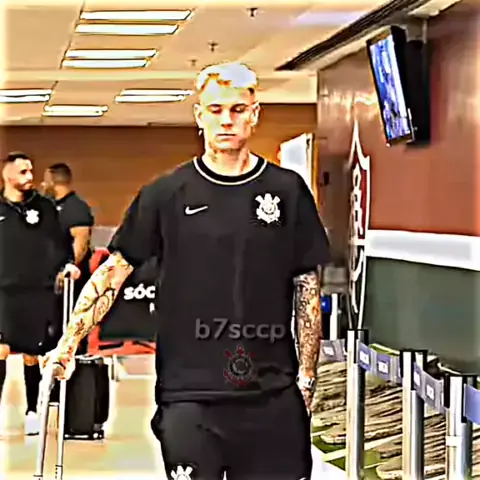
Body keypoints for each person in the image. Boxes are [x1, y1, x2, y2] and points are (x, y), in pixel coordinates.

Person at [43, 62, 331, 479]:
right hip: (189, 394)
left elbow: (306, 286)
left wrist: (307, 377)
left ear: (254, 114)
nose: (226, 120)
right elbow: (113, 273)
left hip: (271, 393)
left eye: (237, 109)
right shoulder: (166, 194)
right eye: (215, 110)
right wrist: (68, 344)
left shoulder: (287, 191)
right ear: (199, 116)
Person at [0, 152, 79, 435]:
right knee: (0, 350)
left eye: (31, 171)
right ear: (7, 175)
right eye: (23, 172)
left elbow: (61, 242)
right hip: (3, 291)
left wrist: (67, 264)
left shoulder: (44, 207)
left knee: (31, 354)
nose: (30, 177)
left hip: (37, 290)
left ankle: (33, 410)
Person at [42, 163, 94, 355]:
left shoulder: (76, 208)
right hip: (49, 280)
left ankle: (74, 366)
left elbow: (81, 243)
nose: (42, 184)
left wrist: (68, 269)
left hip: (70, 282)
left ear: (52, 181)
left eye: (45, 180)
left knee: (70, 328)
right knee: (50, 331)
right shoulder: (49, 206)